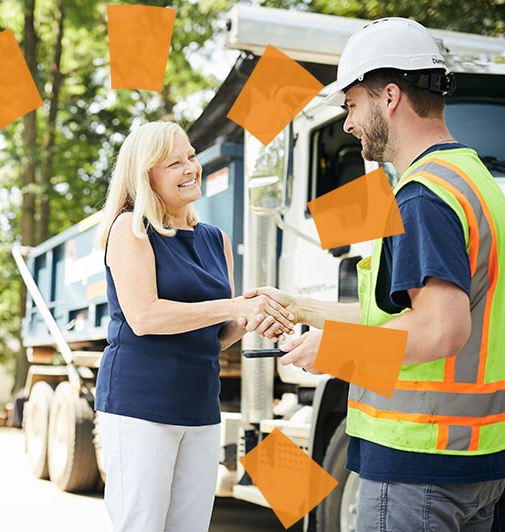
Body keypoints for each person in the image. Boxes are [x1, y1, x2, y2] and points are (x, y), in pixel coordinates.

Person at [245, 17, 505, 531]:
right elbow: (403, 313)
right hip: (476, 458)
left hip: (418, 455)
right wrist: (301, 308)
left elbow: (439, 329)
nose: (346, 123)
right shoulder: (474, 181)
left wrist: (333, 351)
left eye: (350, 105)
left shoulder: (422, 196)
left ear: (388, 97)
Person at [93, 120, 294, 532]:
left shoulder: (216, 239)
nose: (191, 168)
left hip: (200, 407)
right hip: (140, 407)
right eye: (173, 163)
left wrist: (252, 317)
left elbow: (218, 335)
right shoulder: (130, 229)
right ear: (144, 175)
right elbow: (144, 317)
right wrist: (231, 305)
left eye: (191, 156)